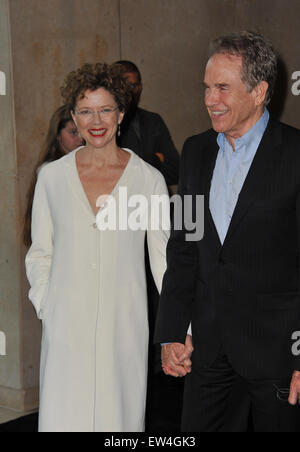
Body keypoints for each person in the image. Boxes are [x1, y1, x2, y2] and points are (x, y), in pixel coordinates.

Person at [155, 31, 300, 432]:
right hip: (209, 351)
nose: (209, 99)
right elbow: (183, 247)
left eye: (222, 88)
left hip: (278, 355)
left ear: (259, 92)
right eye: (206, 87)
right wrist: (171, 331)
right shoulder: (196, 151)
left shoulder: (295, 154)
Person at [25, 63, 169, 432]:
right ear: (73, 115)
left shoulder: (147, 180)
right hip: (65, 329)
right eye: (86, 111)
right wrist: (47, 304)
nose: (96, 120)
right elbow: (41, 252)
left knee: (117, 423)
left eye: (106, 109)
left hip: (123, 329)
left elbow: (164, 262)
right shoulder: (52, 178)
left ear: (122, 113)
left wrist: (178, 329)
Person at [23, 105, 83, 248]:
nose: (80, 139)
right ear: (57, 135)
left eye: (82, 132)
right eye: (73, 132)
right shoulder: (50, 170)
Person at [114, 60, 180, 187]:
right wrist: (155, 159)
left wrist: (145, 162)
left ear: (140, 87)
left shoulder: (152, 121)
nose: (130, 92)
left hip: (155, 202)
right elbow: (112, 174)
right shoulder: (104, 124)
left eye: (134, 86)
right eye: (124, 86)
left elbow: (176, 171)